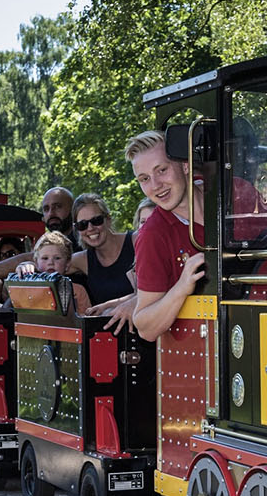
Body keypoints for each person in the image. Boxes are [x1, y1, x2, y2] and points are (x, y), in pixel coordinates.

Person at [126, 130, 206, 341]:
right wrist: (181, 288)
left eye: (162, 170)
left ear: (185, 165)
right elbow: (144, 326)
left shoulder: (235, 191)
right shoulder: (152, 235)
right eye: (144, 179)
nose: (155, 186)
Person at [69, 193, 138, 331]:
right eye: (82, 225)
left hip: (145, 330)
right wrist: (27, 266)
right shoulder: (82, 260)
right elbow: (49, 263)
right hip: (107, 337)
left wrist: (108, 306)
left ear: (108, 219)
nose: (90, 228)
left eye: (96, 220)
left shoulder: (136, 241)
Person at [31, 231, 92, 313]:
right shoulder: (30, 288)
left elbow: (86, 319)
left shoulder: (78, 290)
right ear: (36, 263)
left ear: (67, 264)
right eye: (45, 258)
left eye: (57, 258)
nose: (50, 263)